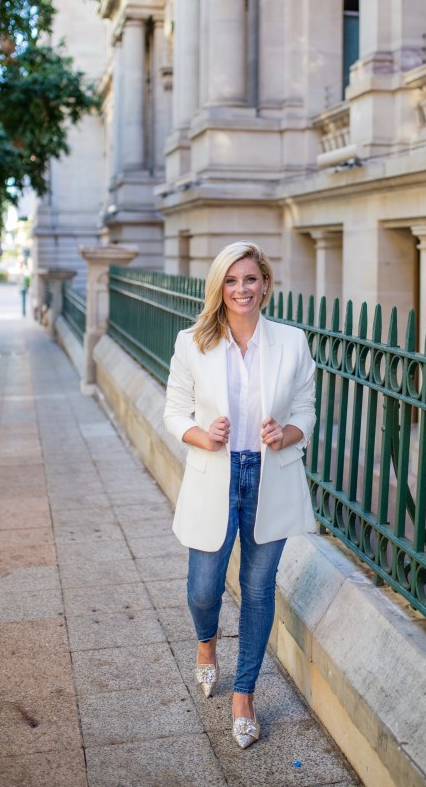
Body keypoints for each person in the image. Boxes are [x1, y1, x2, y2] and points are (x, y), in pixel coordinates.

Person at [164, 241, 316, 749]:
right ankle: (206, 645)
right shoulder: (193, 342)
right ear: (219, 288)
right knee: (203, 588)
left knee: (257, 588)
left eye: (250, 279)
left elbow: (306, 410)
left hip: (268, 476)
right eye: (231, 281)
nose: (241, 289)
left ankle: (244, 694)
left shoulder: (292, 342)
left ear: (266, 284)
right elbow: (174, 411)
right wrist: (203, 435)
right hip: (216, 475)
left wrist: (286, 434)